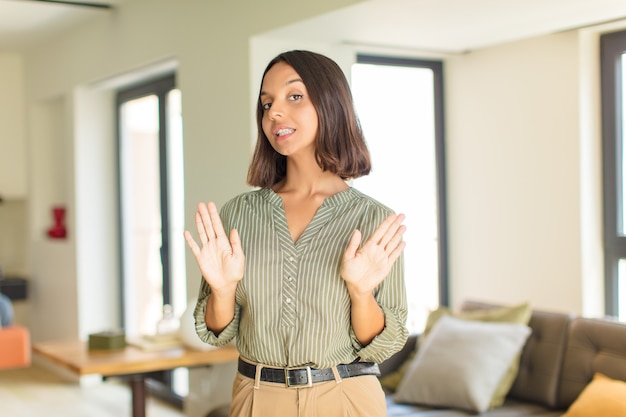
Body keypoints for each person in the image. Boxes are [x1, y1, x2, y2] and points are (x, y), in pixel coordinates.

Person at [185, 50, 408, 417]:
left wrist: (361, 293)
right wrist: (223, 291)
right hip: (256, 396)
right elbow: (216, 332)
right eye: (266, 102)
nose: (274, 112)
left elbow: (383, 343)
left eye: (294, 96)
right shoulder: (239, 213)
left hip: (346, 398)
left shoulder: (373, 219)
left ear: (331, 103)